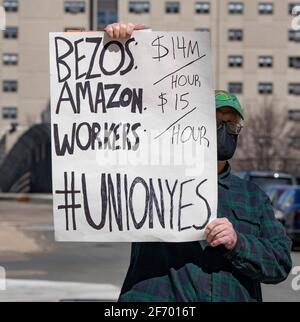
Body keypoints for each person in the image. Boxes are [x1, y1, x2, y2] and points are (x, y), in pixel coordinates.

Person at [101, 22, 292, 302]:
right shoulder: (153, 177)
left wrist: (238, 242)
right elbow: (123, 116)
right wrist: (122, 47)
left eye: (231, 123)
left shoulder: (252, 197)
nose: (224, 129)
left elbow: (280, 264)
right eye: (214, 121)